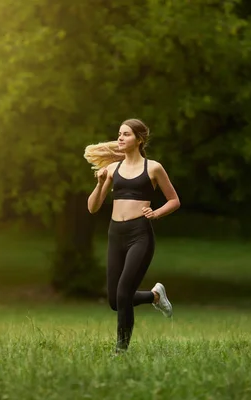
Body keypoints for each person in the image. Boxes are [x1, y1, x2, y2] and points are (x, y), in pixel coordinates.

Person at [84, 118, 181, 353]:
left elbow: (174, 200)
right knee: (115, 301)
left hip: (140, 235)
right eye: (119, 134)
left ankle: (121, 351)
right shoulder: (113, 170)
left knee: (124, 292)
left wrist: (155, 213)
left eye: (126, 134)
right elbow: (92, 207)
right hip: (116, 234)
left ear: (139, 139)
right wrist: (99, 184)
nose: (120, 138)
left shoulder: (153, 168)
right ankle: (155, 296)